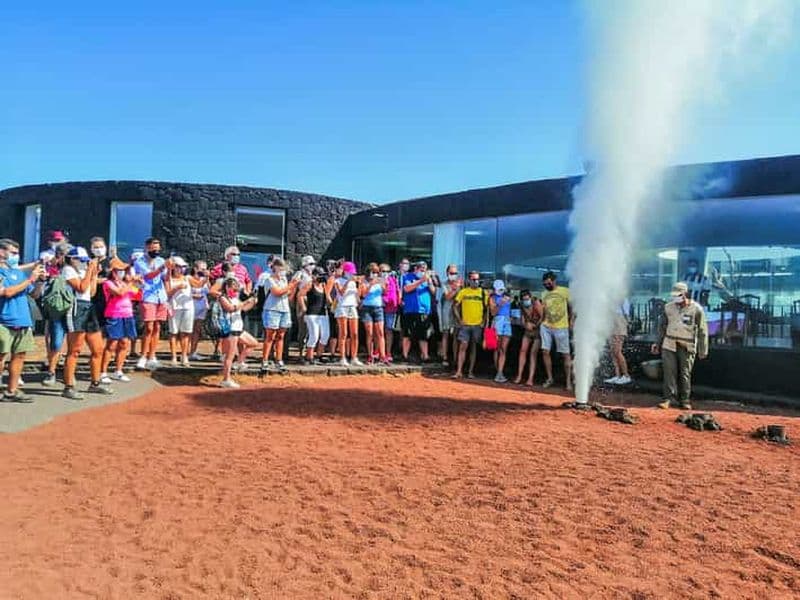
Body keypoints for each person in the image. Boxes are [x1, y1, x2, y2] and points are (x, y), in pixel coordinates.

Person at [62, 246, 112, 399]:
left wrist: (93, 274)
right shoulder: (68, 270)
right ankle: (68, 386)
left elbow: (91, 292)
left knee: (98, 349)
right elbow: (81, 287)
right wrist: (90, 271)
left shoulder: (84, 271)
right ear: (72, 259)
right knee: (75, 350)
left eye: (85, 261)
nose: (84, 263)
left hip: (88, 308)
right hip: (76, 308)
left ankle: (95, 383)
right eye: (81, 260)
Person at [0, 239, 45, 402]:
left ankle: (12, 391)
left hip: (23, 321)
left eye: (17, 253)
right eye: (12, 253)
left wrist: (40, 281)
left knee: (19, 356)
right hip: (3, 322)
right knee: (1, 356)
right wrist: (30, 279)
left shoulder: (18, 273)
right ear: (1, 252)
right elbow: (7, 292)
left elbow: (33, 294)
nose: (16, 256)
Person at [652, 282, 709, 410]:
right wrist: (657, 343)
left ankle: (684, 399)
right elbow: (662, 327)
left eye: (678, 295)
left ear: (685, 294)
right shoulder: (668, 307)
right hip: (669, 343)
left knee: (685, 373)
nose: (675, 298)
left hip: (687, 344)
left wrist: (703, 349)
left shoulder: (696, 309)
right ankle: (668, 398)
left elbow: (702, 330)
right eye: (674, 295)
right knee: (669, 372)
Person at [133, 238, 172, 370]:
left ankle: (152, 355)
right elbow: (148, 276)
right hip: (148, 296)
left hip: (161, 296)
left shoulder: (161, 261)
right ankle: (143, 356)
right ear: (147, 247)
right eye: (153, 248)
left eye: (158, 249)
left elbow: (165, 278)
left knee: (157, 327)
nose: (156, 251)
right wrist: (162, 267)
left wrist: (170, 269)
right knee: (148, 327)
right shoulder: (140, 262)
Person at [218, 274, 258, 388]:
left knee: (253, 343)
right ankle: (226, 379)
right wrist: (245, 302)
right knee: (229, 356)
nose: (236, 289)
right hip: (230, 329)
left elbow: (243, 309)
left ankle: (239, 362)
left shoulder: (235, 298)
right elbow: (230, 309)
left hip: (238, 328)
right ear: (227, 287)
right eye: (233, 286)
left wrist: (252, 301)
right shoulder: (223, 298)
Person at [100, 257, 137, 383]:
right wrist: (131, 283)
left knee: (124, 343)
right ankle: (103, 372)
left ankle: (118, 371)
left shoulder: (123, 283)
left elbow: (135, 294)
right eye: (119, 270)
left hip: (127, 314)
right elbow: (119, 293)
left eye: (123, 270)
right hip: (114, 315)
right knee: (112, 343)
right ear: (113, 271)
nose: (122, 272)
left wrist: (135, 284)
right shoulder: (107, 283)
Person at [258, 258, 298, 370]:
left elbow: (288, 295)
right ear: (274, 268)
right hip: (271, 309)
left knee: (281, 336)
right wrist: (291, 285)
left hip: (284, 309)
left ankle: (279, 360)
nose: (282, 270)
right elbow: (277, 292)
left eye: (283, 268)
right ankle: (265, 360)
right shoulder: (269, 279)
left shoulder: (284, 279)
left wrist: (293, 287)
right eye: (280, 268)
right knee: (270, 336)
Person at [40, 243, 70, 387]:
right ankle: (51, 372)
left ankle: (68, 373)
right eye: (63, 255)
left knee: (72, 342)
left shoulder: (75, 268)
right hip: (56, 309)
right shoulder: (52, 267)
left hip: (72, 309)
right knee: (56, 341)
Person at [540, 271, 574, 391]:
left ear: (554, 281)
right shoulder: (544, 294)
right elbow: (543, 311)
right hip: (546, 325)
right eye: (545, 284)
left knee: (565, 354)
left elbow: (572, 308)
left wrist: (571, 321)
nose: (547, 286)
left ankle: (568, 381)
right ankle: (550, 378)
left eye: (548, 283)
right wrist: (540, 321)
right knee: (545, 351)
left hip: (561, 326)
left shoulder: (565, 291)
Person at [452, 271, 487, 379]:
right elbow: (455, 305)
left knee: (473, 348)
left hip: (477, 324)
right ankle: (459, 371)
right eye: (473, 279)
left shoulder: (483, 292)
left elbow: (487, 309)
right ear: (469, 280)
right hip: (465, 324)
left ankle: (471, 372)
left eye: (477, 279)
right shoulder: (464, 292)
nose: (476, 281)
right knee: (463, 346)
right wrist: (459, 319)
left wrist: (483, 321)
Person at [401, 261, 435, 362]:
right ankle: (405, 355)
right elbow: (407, 289)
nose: (423, 272)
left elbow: (433, 291)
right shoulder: (408, 277)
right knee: (408, 333)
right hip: (410, 310)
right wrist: (421, 280)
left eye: (424, 270)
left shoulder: (427, 279)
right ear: (416, 269)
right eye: (421, 269)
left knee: (423, 335)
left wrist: (429, 281)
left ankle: (425, 356)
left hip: (424, 310)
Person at [297, 266, 331, 364]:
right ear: (314, 276)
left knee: (325, 335)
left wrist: (332, 304)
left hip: (323, 313)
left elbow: (327, 297)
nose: (321, 277)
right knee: (314, 336)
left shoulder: (323, 285)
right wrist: (303, 307)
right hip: (312, 313)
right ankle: (309, 357)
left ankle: (319, 355)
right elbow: (300, 295)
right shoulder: (310, 284)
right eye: (319, 275)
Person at [166, 257, 194, 367]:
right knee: (173, 332)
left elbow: (199, 284)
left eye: (183, 267)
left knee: (186, 333)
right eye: (178, 266)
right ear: (173, 267)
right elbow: (167, 293)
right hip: (174, 307)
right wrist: (177, 287)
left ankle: (184, 356)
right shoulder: (169, 279)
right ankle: (173, 357)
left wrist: (206, 277)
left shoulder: (187, 278)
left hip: (188, 307)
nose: (181, 269)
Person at [333, 261, 362, 366]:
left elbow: (357, 297)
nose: (352, 274)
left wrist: (359, 285)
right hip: (342, 307)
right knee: (343, 333)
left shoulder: (354, 283)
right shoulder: (338, 280)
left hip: (352, 306)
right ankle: (342, 358)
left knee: (354, 334)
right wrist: (348, 282)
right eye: (350, 272)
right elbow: (341, 292)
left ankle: (354, 357)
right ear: (345, 271)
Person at [359, 262, 388, 365]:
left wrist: (384, 284)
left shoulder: (380, 281)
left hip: (378, 307)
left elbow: (385, 292)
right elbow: (363, 294)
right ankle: (370, 355)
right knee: (370, 333)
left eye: (376, 272)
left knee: (380, 332)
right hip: (367, 307)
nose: (375, 274)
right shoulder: (364, 281)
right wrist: (371, 284)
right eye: (373, 272)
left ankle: (383, 356)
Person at [513, 289, 543, 386]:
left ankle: (530, 379)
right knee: (522, 351)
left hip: (537, 331)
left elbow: (543, 317)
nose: (526, 301)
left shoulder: (536, 303)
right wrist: (525, 324)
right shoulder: (522, 306)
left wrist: (534, 325)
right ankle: (519, 376)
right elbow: (522, 318)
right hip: (527, 330)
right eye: (524, 299)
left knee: (533, 353)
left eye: (527, 298)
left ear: (530, 297)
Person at [489, 279, 513, 383]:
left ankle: (500, 372)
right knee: (496, 348)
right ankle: (497, 371)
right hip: (497, 321)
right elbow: (493, 313)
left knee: (503, 349)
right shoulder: (492, 298)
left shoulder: (507, 297)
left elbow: (510, 309)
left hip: (506, 321)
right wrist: (500, 304)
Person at [439, 264, 462, 367]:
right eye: (451, 273)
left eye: (455, 273)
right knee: (446, 333)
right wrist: (456, 289)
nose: (453, 275)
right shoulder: (444, 283)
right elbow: (448, 297)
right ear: (447, 273)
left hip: (457, 310)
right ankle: (444, 357)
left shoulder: (461, 283)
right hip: (446, 310)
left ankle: (456, 358)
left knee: (456, 335)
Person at [605, 298, 632, 385]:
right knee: (613, 352)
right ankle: (617, 375)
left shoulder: (623, 299)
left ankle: (626, 376)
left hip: (619, 326)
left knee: (617, 351)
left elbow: (626, 315)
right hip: (611, 325)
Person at [188, 260, 210, 360]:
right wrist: (193, 295)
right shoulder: (189, 278)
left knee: (197, 330)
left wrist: (207, 278)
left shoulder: (205, 279)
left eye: (205, 269)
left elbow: (208, 291)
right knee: (188, 330)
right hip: (191, 305)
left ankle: (193, 351)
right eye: (202, 269)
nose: (204, 271)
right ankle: (186, 351)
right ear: (195, 269)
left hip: (202, 307)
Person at [380, 263, 400, 361]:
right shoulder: (377, 281)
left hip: (391, 308)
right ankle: (378, 351)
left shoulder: (393, 280)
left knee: (389, 330)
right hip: (379, 307)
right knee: (378, 331)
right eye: (383, 271)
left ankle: (388, 352)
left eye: (388, 271)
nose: (386, 273)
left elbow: (397, 293)